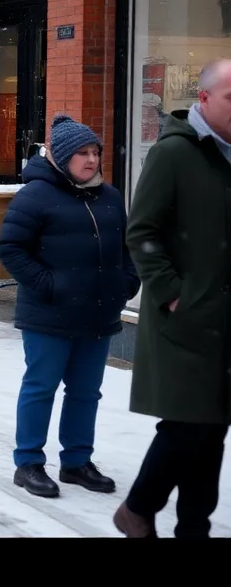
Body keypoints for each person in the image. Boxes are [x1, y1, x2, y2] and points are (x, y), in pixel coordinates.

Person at [116, 59, 231, 538]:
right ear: (203, 99)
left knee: (211, 429)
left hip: (223, 319)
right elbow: (142, 231)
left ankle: (194, 528)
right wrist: (172, 294)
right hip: (185, 318)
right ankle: (138, 508)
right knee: (188, 426)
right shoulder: (176, 152)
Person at [0, 114, 139, 499]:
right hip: (50, 313)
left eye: (95, 152)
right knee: (41, 387)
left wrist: (127, 281)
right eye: (82, 153)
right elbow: (10, 248)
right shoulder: (35, 195)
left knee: (86, 391)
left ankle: (77, 462)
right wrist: (49, 285)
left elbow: (126, 247)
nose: (91, 160)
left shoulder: (109, 197)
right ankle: (28, 463)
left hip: (99, 312)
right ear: (62, 157)